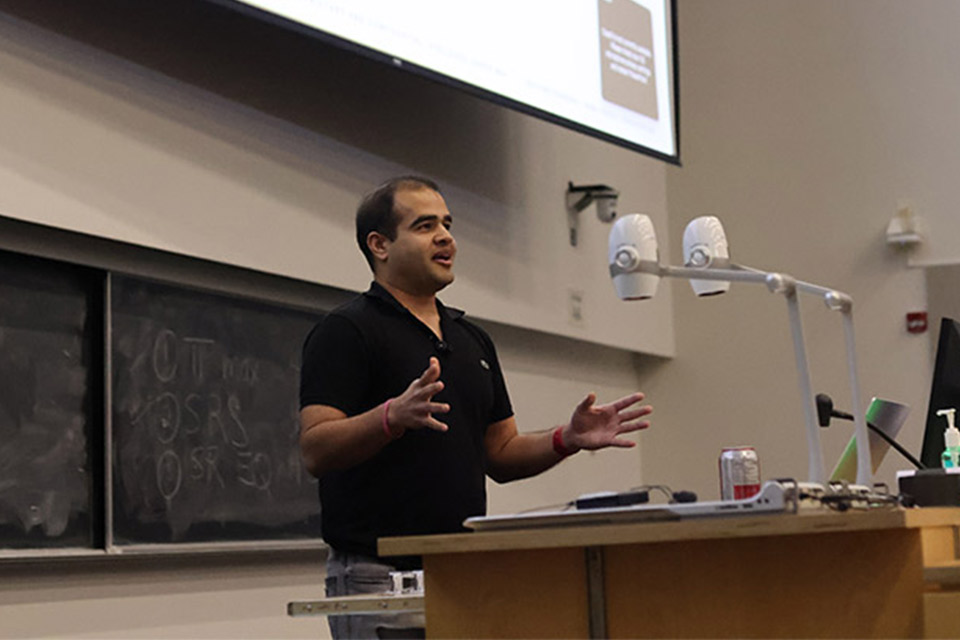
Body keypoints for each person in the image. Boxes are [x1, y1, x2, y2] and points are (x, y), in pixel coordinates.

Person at [299, 176, 652, 639]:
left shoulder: (471, 339)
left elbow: (500, 453)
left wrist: (566, 439)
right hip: (378, 575)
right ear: (379, 244)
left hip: (462, 572)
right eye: (425, 226)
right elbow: (315, 448)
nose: (446, 237)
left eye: (447, 224)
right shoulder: (347, 331)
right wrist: (391, 417)